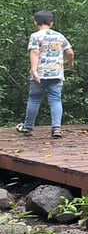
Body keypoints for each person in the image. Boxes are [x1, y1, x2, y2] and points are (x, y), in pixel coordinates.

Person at [16, 11, 74, 139]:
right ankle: (56, 128)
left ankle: (28, 127)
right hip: (56, 73)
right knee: (55, 99)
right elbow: (69, 52)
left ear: (35, 22)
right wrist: (70, 65)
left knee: (34, 99)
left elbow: (35, 53)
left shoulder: (35, 36)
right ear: (51, 23)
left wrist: (34, 70)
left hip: (40, 73)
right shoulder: (59, 36)